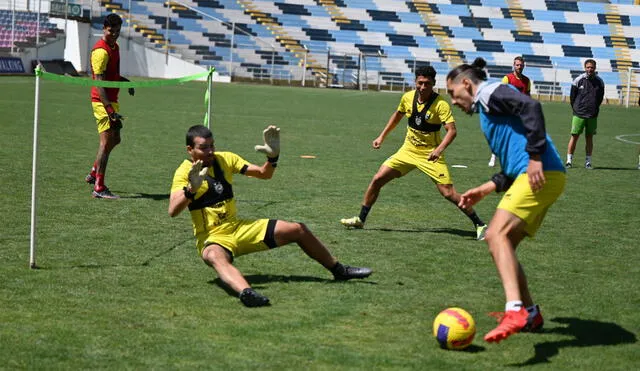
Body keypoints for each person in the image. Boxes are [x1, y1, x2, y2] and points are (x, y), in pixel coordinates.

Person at [168, 124, 372, 307]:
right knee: (215, 256)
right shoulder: (184, 172)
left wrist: (272, 158)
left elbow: (264, 174)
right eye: (204, 147)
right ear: (190, 150)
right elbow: (173, 211)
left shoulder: (225, 159)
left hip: (239, 228)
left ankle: (339, 271)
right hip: (212, 237)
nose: (210, 151)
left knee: (297, 229)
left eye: (212, 145)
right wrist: (190, 190)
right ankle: (247, 293)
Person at [446, 58, 566, 343]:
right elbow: (513, 164)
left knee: (495, 233)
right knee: (504, 246)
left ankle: (514, 310)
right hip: (545, 175)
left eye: (452, 93)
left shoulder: (489, 93)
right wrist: (486, 188)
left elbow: (531, 106)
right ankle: (530, 313)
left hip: (540, 172)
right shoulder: (488, 112)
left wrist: (536, 157)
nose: (452, 101)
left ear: (466, 84)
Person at [340, 66, 488, 240]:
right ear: (415, 82)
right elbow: (397, 116)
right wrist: (382, 137)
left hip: (430, 155)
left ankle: (480, 224)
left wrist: (438, 150)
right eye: (420, 83)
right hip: (408, 151)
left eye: (427, 84)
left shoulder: (440, 104)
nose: (423, 87)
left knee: (448, 193)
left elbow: (452, 131)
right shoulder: (407, 98)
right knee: (377, 179)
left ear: (433, 83)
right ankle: (360, 219)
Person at [85, 13, 135, 199]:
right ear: (103, 29)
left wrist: (125, 82)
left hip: (112, 100)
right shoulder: (101, 51)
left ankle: (93, 172)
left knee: (115, 139)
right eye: (110, 30)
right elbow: (99, 83)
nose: (114, 34)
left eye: (117, 31)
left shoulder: (115, 47)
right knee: (106, 141)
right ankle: (99, 187)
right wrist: (110, 110)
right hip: (102, 101)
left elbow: (111, 76)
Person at [488, 56, 532, 167]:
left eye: (521, 65)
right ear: (514, 65)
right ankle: (493, 156)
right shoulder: (507, 78)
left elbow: (527, 97)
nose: (519, 67)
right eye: (517, 65)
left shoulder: (527, 81)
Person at [565, 59, 605, 169]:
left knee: (589, 137)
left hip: (592, 115)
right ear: (585, 67)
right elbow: (572, 97)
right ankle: (569, 160)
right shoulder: (578, 80)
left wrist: (594, 108)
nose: (590, 69)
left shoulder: (599, 82)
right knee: (574, 137)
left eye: (592, 67)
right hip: (579, 114)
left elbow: (600, 98)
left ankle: (588, 162)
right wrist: (577, 109)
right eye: (588, 67)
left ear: (595, 68)